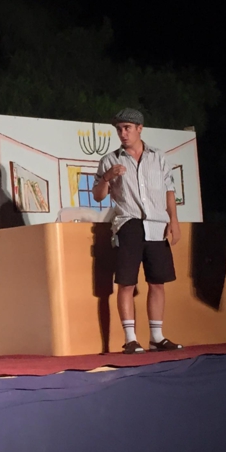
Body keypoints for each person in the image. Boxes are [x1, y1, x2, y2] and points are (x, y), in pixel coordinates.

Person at [92, 108, 183, 354]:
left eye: (127, 128)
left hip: (156, 224)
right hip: (128, 224)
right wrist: (107, 177)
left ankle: (156, 337)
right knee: (126, 283)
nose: (123, 133)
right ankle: (130, 339)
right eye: (119, 129)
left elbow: (169, 190)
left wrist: (174, 220)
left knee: (157, 282)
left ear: (139, 129)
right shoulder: (110, 160)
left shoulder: (158, 157)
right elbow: (98, 196)